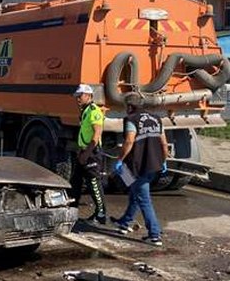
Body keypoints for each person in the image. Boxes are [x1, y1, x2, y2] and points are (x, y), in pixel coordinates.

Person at [112, 92, 168, 246]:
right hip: (154, 165)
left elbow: (129, 141)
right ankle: (124, 223)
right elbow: (164, 142)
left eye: (126, 106)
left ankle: (154, 234)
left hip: (137, 166)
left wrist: (119, 160)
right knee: (134, 192)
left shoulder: (131, 119)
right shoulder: (156, 119)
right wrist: (164, 160)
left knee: (144, 199)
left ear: (130, 106)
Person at [71, 84, 108, 227]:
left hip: (91, 153)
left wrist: (86, 154)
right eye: (77, 96)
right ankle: (71, 210)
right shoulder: (85, 110)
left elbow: (96, 136)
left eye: (80, 96)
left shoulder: (94, 111)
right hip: (84, 151)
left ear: (88, 95)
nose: (78, 99)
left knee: (94, 183)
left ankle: (101, 214)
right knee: (75, 182)